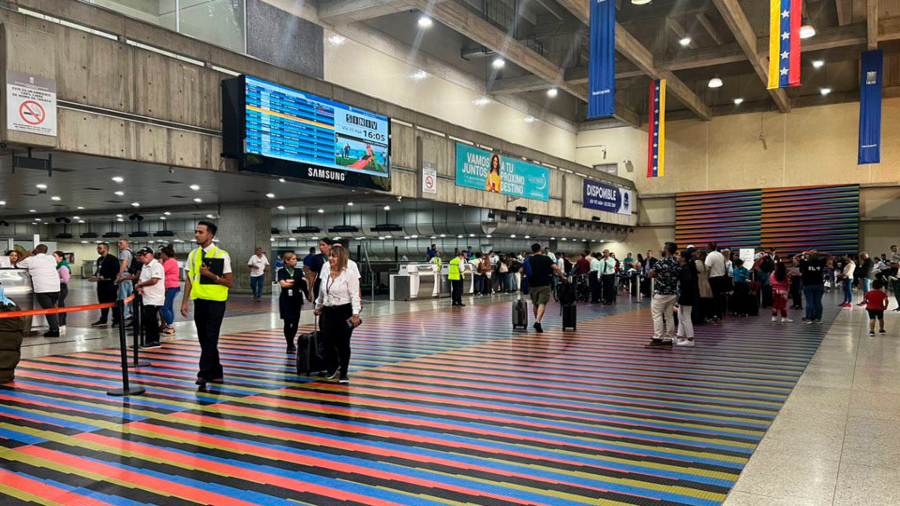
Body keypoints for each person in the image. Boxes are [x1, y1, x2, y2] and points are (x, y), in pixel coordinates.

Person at [181, 221, 233, 386]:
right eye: (196, 231)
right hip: (199, 302)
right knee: (204, 338)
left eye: (200, 232)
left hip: (216, 302)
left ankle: (203, 373)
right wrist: (184, 302)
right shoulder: (193, 255)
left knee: (210, 337)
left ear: (210, 235)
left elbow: (229, 282)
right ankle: (216, 369)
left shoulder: (221, 255)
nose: (196, 235)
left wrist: (210, 275)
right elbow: (189, 279)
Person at [314, 245, 361, 384]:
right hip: (328, 310)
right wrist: (318, 306)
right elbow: (322, 291)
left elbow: (354, 295)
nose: (330, 259)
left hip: (344, 311)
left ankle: (344, 372)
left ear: (340, 258)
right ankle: (334, 364)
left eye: (333, 256)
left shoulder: (349, 274)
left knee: (343, 343)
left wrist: (355, 313)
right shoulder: (326, 270)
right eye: (330, 256)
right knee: (327, 341)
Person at [14, 245, 61, 337]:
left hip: (42, 289)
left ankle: (54, 330)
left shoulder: (30, 260)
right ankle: (54, 327)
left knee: (48, 310)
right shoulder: (51, 258)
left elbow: (17, 264)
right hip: (55, 288)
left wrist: (27, 254)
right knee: (52, 309)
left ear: (37, 250)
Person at [646, 242, 680, 348]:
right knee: (669, 316)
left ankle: (658, 337)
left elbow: (650, 274)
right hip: (672, 293)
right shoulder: (677, 262)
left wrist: (659, 275)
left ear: (667, 250)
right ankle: (669, 338)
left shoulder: (661, 262)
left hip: (661, 292)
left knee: (657, 315)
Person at [526, 243, 566, 333]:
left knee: (535, 304)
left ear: (532, 250)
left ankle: (537, 321)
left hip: (532, 284)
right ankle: (537, 322)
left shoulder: (528, 259)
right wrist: (562, 276)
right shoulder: (546, 258)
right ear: (540, 249)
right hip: (544, 284)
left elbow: (521, 270)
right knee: (542, 303)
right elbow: (556, 268)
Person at [277, 252, 309, 353]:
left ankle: (291, 341)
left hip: (296, 298)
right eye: (293, 259)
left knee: (295, 321)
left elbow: (304, 282)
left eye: (296, 259)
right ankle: (289, 343)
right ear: (287, 261)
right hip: (286, 299)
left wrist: (292, 281)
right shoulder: (281, 271)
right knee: (287, 321)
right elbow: (283, 284)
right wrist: (297, 281)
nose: (295, 261)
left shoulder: (299, 271)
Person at [134, 247, 165, 349]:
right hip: (147, 297)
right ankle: (148, 340)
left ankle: (154, 341)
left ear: (151, 255)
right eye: (140, 255)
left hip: (155, 297)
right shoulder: (144, 266)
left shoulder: (156, 265)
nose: (142, 257)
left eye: (144, 255)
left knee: (151, 319)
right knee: (147, 319)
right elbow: (142, 279)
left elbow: (154, 280)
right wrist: (140, 286)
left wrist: (140, 285)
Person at [90, 242, 121, 326]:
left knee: (112, 302)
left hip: (110, 284)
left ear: (106, 249)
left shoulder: (113, 259)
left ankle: (116, 320)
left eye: (100, 248)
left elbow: (116, 270)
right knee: (102, 302)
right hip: (101, 284)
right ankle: (103, 319)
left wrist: (105, 276)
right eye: (97, 248)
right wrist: (95, 276)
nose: (98, 250)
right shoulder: (99, 259)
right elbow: (98, 270)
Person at [796, 250, 829, 324]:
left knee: (809, 302)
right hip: (819, 284)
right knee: (818, 302)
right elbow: (828, 255)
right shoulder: (821, 262)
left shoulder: (805, 263)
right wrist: (818, 253)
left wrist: (805, 253)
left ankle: (809, 319)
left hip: (807, 285)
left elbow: (795, 257)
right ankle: (818, 319)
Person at [675, 249, 699, 347]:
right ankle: (680, 336)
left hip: (687, 294)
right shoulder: (688, 267)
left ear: (683, 258)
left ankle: (690, 339)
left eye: (680, 256)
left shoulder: (686, 269)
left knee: (686, 316)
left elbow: (686, 282)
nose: (678, 257)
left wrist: (681, 289)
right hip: (687, 294)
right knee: (681, 316)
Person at [159, 245, 180, 335]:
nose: (160, 256)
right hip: (172, 286)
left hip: (171, 286)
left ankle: (170, 326)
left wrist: (160, 263)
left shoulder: (170, 261)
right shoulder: (172, 261)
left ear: (164, 254)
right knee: (169, 307)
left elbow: (160, 271)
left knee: (164, 307)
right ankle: (169, 325)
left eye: (161, 254)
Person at [115, 239, 137, 322]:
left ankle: (124, 314)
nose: (119, 245)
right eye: (118, 243)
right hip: (130, 275)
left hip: (124, 275)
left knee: (123, 295)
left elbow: (124, 264)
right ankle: (132, 312)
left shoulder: (124, 252)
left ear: (127, 244)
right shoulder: (131, 252)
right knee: (130, 295)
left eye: (121, 243)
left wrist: (119, 275)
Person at [705, 242, 727, 322]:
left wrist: (706, 279)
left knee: (711, 298)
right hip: (721, 278)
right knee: (718, 297)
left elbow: (707, 268)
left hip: (713, 278)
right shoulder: (720, 255)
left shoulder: (710, 256)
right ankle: (719, 315)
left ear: (709, 247)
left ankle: (711, 315)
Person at [52, 251, 71, 331]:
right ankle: (60, 322)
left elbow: (66, 279)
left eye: (54, 256)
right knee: (60, 305)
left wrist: (55, 280)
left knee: (60, 305)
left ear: (60, 258)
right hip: (57, 287)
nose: (52, 257)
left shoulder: (63, 267)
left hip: (62, 288)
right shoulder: (56, 266)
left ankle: (61, 322)